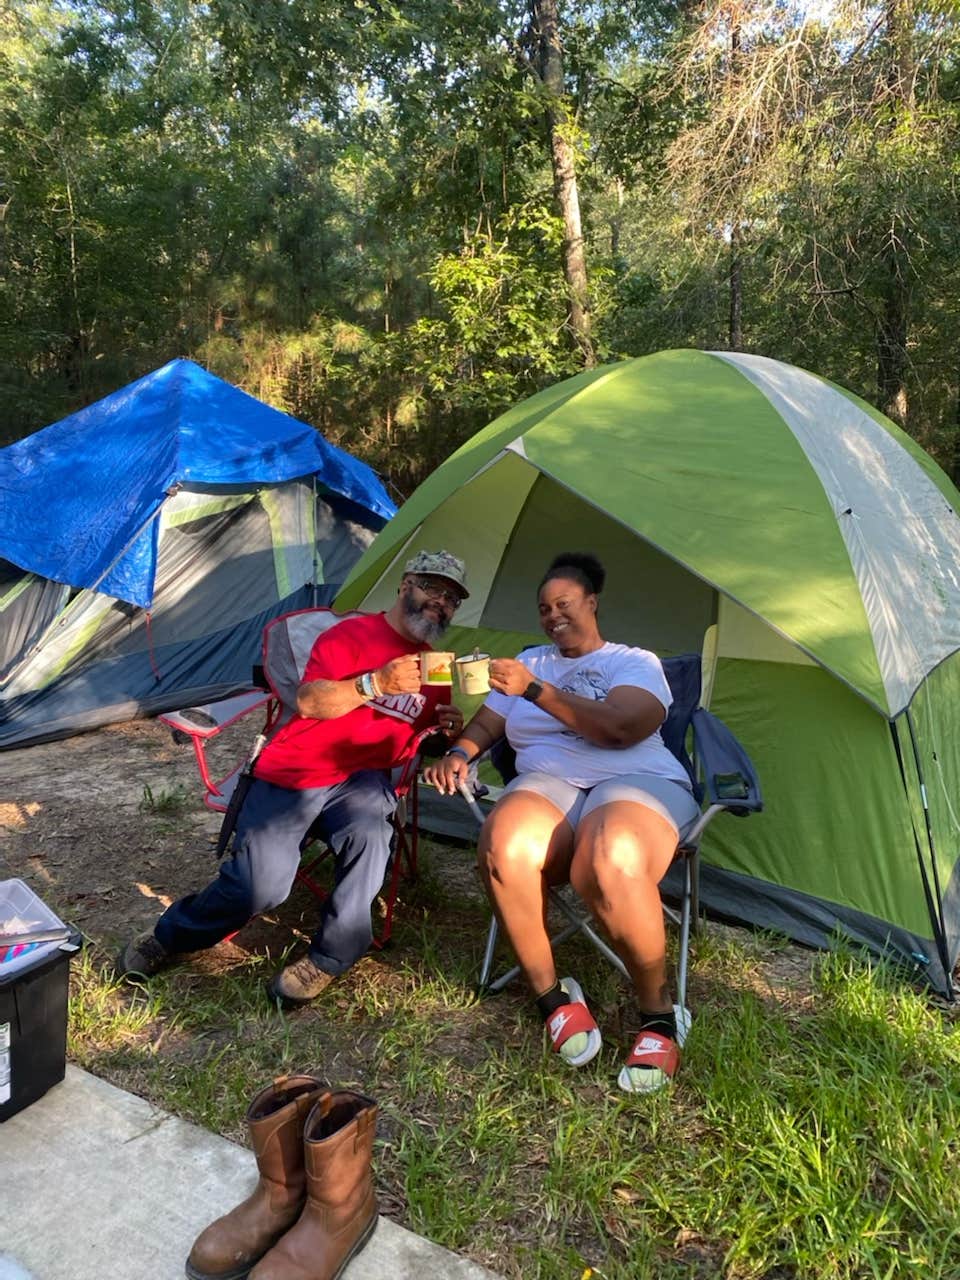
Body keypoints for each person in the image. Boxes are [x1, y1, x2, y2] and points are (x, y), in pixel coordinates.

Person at [117, 550, 469, 1005]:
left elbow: (421, 740)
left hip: (362, 782)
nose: (441, 602)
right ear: (405, 585)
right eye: (432, 588)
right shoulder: (352, 634)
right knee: (259, 887)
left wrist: (446, 732)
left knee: (371, 840)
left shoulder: (435, 668)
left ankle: (329, 958)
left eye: (452, 598)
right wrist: (375, 684)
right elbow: (309, 702)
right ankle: (171, 935)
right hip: (297, 769)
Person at [424, 551, 699, 1093]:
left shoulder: (632, 662)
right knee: (502, 844)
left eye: (565, 604)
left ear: (592, 604)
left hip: (636, 778)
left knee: (610, 858)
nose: (553, 616)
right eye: (544, 608)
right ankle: (553, 996)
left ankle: (660, 1013)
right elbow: (487, 722)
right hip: (550, 782)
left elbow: (620, 729)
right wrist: (460, 751)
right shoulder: (532, 660)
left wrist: (533, 689)